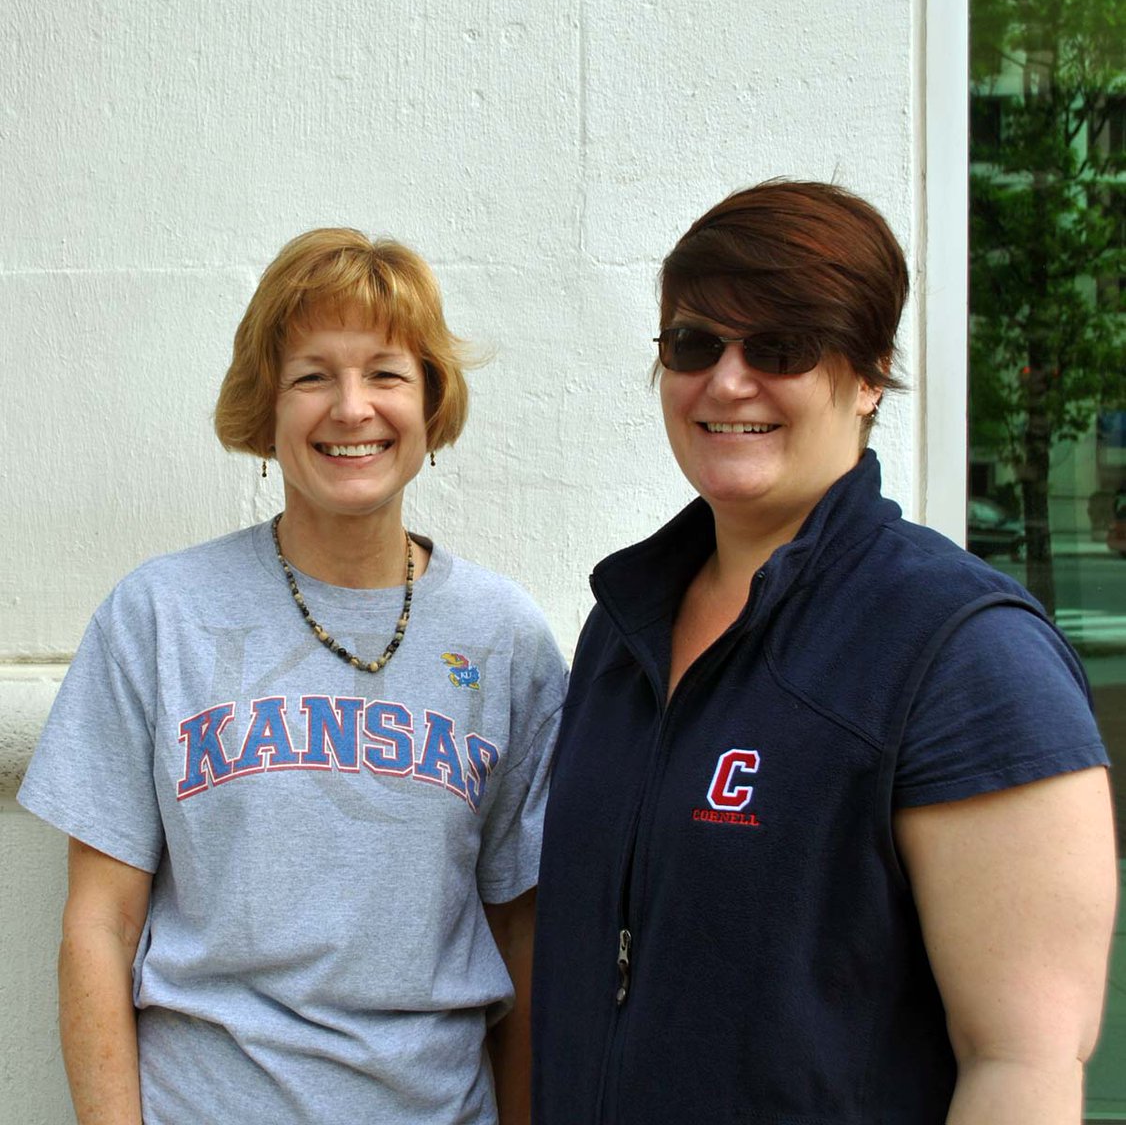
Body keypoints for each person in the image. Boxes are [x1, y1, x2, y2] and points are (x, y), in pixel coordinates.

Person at [532, 181, 1117, 1124]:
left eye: (781, 348)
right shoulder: (623, 627)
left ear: (871, 372)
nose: (727, 382)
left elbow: (1023, 1062)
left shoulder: (965, 654)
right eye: (693, 345)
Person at [18, 228, 566, 1124]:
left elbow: (524, 934)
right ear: (266, 408)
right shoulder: (161, 616)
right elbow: (99, 926)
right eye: (313, 375)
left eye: (387, 373)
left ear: (431, 404)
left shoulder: (505, 639)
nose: (352, 409)